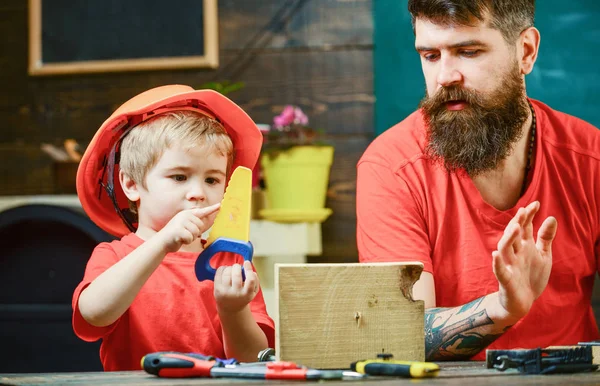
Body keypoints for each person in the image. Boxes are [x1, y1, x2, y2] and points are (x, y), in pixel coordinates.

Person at [356, 0, 600, 361]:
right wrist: (502, 307)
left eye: (468, 52)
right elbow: (398, 334)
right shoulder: (391, 166)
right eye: (430, 56)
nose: (445, 77)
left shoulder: (590, 158)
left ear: (526, 52)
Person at [72, 85, 274, 371]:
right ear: (131, 185)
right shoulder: (114, 256)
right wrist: (162, 241)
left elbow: (255, 360)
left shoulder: (230, 261)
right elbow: (93, 314)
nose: (198, 193)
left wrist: (234, 311)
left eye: (213, 180)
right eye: (179, 177)